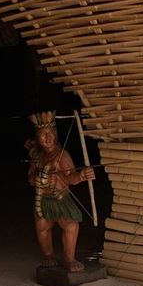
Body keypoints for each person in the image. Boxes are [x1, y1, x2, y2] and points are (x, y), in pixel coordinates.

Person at [26, 111, 95, 272]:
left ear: (55, 135)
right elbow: (30, 178)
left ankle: (69, 259)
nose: (47, 138)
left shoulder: (62, 156)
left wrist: (82, 176)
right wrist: (37, 178)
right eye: (43, 135)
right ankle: (48, 255)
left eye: (50, 134)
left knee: (70, 226)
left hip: (60, 198)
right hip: (43, 200)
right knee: (42, 227)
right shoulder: (37, 157)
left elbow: (70, 177)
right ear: (38, 138)